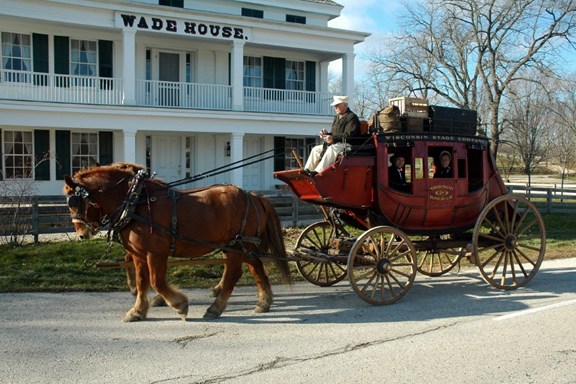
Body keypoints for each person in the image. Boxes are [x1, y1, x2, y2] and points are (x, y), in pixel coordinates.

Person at [304, 95, 360, 175]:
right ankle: (306, 171)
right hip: (338, 143)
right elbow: (335, 133)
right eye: (335, 106)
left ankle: (318, 172)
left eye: (337, 105)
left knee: (332, 148)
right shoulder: (337, 117)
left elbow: (349, 135)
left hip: (348, 144)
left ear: (344, 105)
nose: (335, 108)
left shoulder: (352, 117)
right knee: (316, 149)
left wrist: (333, 138)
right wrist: (326, 134)